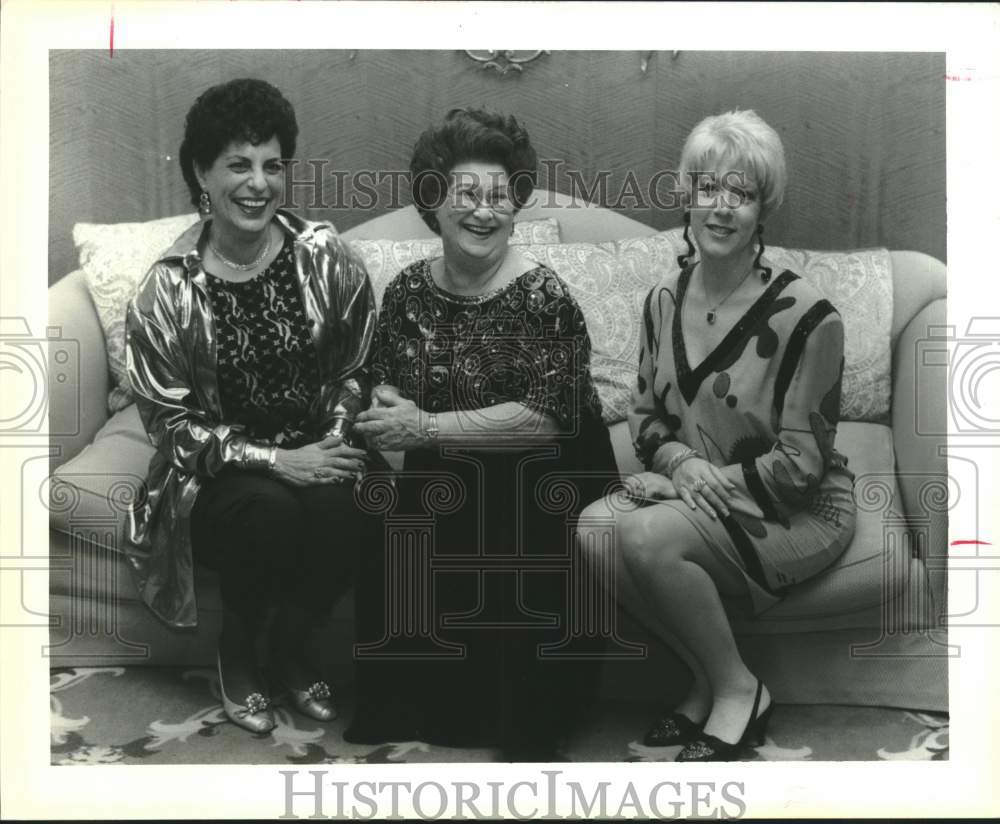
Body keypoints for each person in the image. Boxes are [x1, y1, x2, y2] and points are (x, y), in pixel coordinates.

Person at [577, 110, 857, 761]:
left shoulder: (810, 315)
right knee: (593, 529)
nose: (723, 207)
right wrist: (679, 465)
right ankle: (708, 679)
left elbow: (801, 463)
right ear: (689, 196)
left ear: (765, 209)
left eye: (743, 192)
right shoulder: (662, 301)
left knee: (644, 531)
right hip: (701, 492)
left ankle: (739, 692)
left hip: (797, 506)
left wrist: (691, 485)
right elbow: (645, 417)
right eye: (710, 188)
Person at [346, 108, 617, 760]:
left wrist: (426, 426)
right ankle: (428, 709)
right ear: (434, 203)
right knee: (395, 498)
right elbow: (382, 382)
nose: (485, 212)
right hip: (451, 460)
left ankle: (529, 721)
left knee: (506, 497)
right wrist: (390, 409)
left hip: (547, 467)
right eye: (467, 195)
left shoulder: (541, 295)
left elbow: (545, 419)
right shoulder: (408, 290)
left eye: (500, 197)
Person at [125, 78, 377, 734]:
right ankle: (237, 649)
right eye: (238, 164)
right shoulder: (166, 290)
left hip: (316, 439)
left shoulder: (325, 257)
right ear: (201, 175)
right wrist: (277, 461)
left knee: (348, 503)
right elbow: (171, 425)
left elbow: (357, 368)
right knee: (269, 511)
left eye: (272, 165)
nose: (258, 183)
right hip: (220, 472)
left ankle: (289, 649)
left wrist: (329, 445)